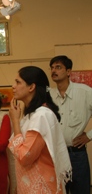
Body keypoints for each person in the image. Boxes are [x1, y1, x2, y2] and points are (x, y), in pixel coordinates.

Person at [8, 66, 72, 194]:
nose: (13, 86)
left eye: (18, 82)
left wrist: (15, 121)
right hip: (31, 185)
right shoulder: (32, 115)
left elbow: (25, 157)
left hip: (42, 186)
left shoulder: (41, 115)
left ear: (31, 87)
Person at [49, 55, 92, 194]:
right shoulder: (48, 95)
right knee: (57, 191)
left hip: (76, 154)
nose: (54, 70)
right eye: (52, 67)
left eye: (58, 67)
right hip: (54, 155)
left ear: (68, 72)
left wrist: (89, 135)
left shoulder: (85, 92)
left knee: (81, 191)